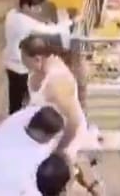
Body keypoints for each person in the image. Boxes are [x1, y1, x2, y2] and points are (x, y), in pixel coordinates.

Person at [21, 34, 99, 162]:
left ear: (37, 59)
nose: (22, 63)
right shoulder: (39, 68)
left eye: (24, 60)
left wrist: (59, 151)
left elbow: (73, 122)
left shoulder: (57, 81)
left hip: (60, 140)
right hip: (43, 131)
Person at [0, 105, 65, 195]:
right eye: (52, 137)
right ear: (43, 135)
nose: (52, 140)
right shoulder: (33, 162)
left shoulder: (20, 119)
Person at [3, 0, 67, 115]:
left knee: (15, 97)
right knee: (21, 100)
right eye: (36, 7)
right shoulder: (25, 23)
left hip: (10, 61)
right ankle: (18, 120)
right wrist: (67, 23)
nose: (39, 10)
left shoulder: (12, 14)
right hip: (20, 65)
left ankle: (14, 118)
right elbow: (51, 31)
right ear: (26, 6)